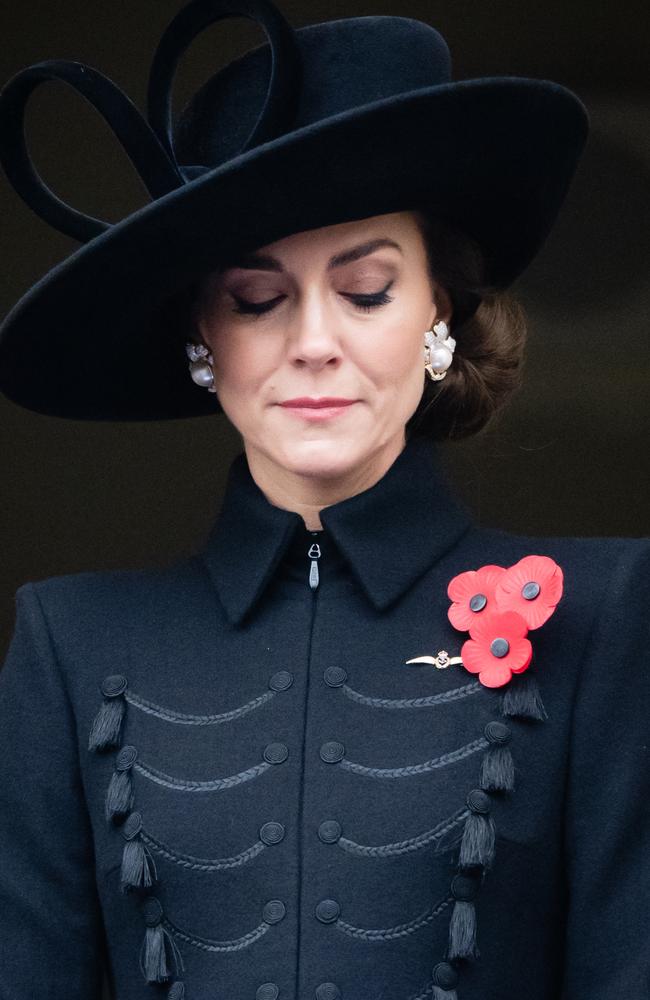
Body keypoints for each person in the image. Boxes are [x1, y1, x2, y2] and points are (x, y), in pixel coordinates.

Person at [0, 1, 648, 999]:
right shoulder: (67, 641)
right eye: (257, 298)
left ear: (439, 313)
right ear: (203, 337)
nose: (312, 341)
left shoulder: (606, 614)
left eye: (366, 288)